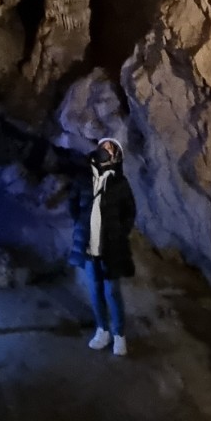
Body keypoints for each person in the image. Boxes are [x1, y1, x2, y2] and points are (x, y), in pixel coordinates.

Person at [69, 137, 137, 357]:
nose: (105, 151)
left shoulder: (120, 183)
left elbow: (130, 212)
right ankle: (102, 330)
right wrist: (82, 228)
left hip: (110, 248)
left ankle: (119, 335)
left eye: (110, 148)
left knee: (112, 291)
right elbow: (73, 205)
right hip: (89, 248)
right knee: (95, 290)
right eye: (103, 147)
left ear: (116, 155)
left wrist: (118, 233)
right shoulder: (83, 178)